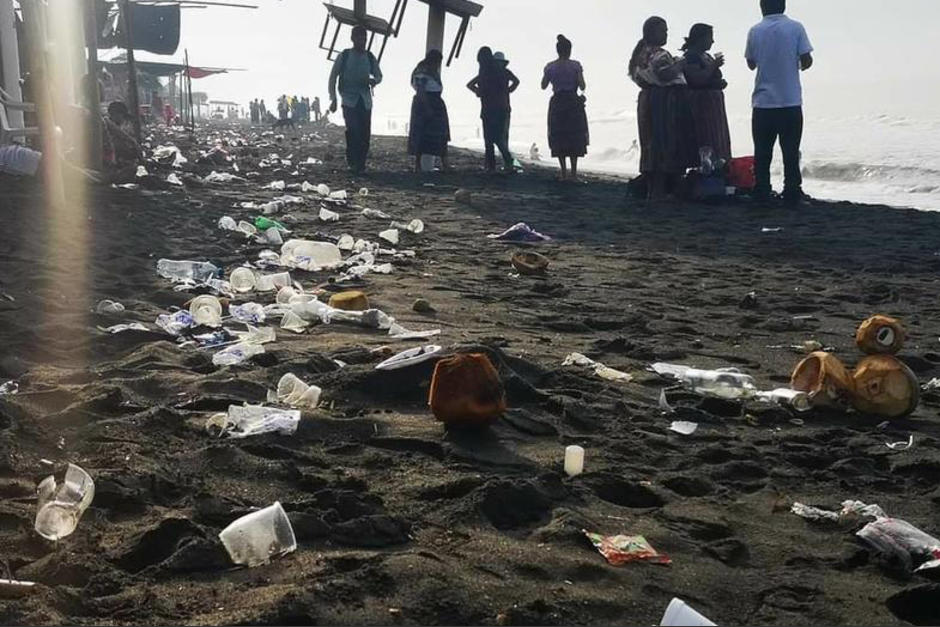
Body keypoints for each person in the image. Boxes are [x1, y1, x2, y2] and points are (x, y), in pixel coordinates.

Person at [746, 0, 813, 206]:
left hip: (763, 100)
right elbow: (807, 59)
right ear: (783, 6)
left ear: (762, 7)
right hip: (789, 99)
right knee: (791, 150)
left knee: (763, 151)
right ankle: (792, 190)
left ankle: (762, 190)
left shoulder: (755, 31)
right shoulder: (795, 27)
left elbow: (751, 63)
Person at [628, 16, 696, 200]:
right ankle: (662, 190)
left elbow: (639, 77)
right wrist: (679, 64)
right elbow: (665, 75)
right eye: (663, 30)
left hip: (647, 99)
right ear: (651, 33)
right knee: (666, 141)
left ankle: (654, 189)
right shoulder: (660, 54)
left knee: (650, 142)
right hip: (666, 100)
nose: (666, 33)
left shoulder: (640, 55)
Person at [328, 25, 383, 174]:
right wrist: (333, 99)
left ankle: (361, 163)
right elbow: (332, 77)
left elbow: (379, 75)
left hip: (365, 100)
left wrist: (374, 81)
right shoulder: (345, 55)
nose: (362, 41)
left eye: (364, 38)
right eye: (359, 38)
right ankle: (352, 162)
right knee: (353, 131)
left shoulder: (370, 57)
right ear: (353, 39)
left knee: (365, 133)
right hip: (348, 99)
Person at [682, 23, 732, 164]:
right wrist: (713, 66)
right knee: (706, 138)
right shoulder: (691, 56)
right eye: (710, 37)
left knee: (717, 138)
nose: (712, 41)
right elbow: (697, 79)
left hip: (712, 105)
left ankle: (719, 167)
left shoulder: (706, 56)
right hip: (701, 106)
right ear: (700, 38)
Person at [541, 34, 588, 181]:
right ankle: (573, 174)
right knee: (574, 135)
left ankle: (563, 173)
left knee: (559, 135)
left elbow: (543, 85)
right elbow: (582, 85)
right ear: (569, 50)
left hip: (558, 101)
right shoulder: (575, 65)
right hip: (572, 101)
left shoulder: (550, 67)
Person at [467, 46, 519, 172]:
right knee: (498, 138)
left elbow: (470, 85)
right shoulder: (503, 73)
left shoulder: (485, 73)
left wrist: (479, 92)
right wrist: (508, 91)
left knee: (490, 139)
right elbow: (516, 81)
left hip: (489, 109)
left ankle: (494, 165)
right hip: (501, 108)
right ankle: (505, 162)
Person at [408, 49, 451, 172]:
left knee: (441, 134)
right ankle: (418, 165)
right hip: (426, 103)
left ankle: (444, 162)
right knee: (422, 134)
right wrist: (427, 108)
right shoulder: (423, 71)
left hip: (435, 102)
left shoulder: (431, 71)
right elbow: (421, 90)